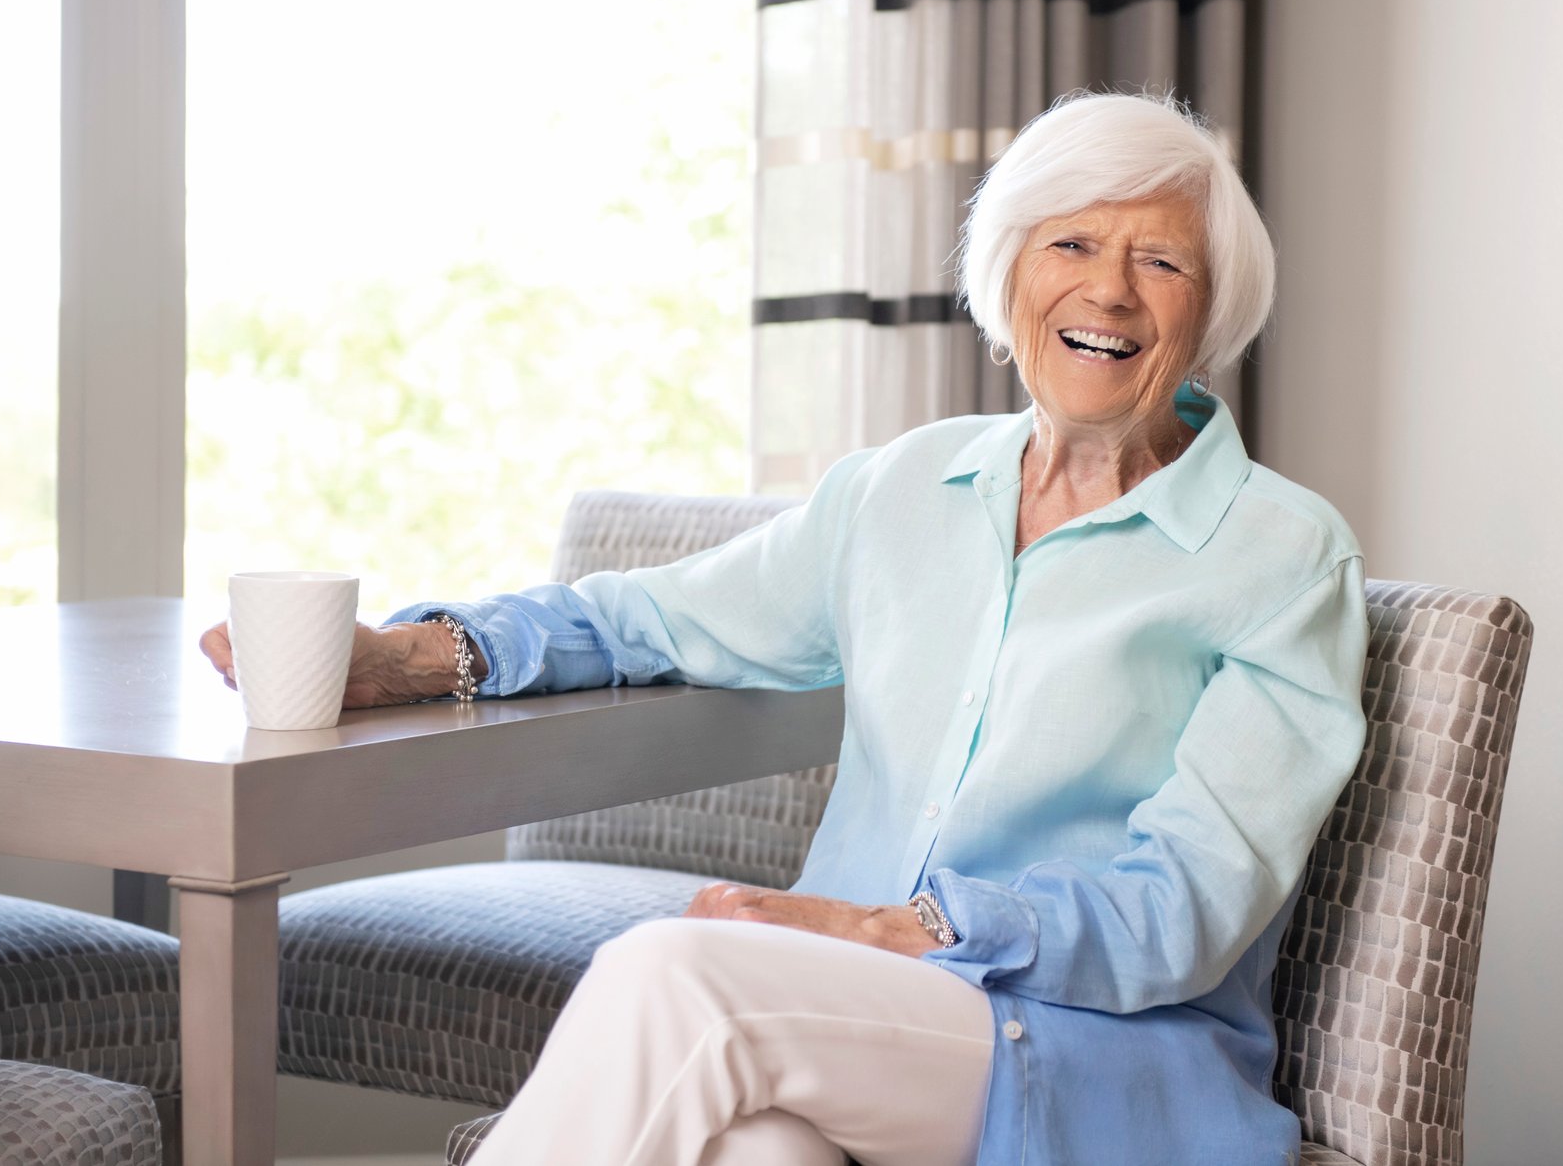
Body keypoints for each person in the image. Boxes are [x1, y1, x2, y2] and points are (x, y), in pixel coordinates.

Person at [201, 92, 1369, 1165]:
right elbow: (650, 615)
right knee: (756, 1150)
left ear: (1209, 309)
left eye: (1158, 261)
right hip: (843, 1019)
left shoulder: (1279, 553)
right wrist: (412, 657)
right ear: (1007, 270)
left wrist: (892, 925)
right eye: (1070, 244)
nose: (1107, 292)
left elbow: (1182, 909)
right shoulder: (903, 491)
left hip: (1089, 1059)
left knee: (677, 975)